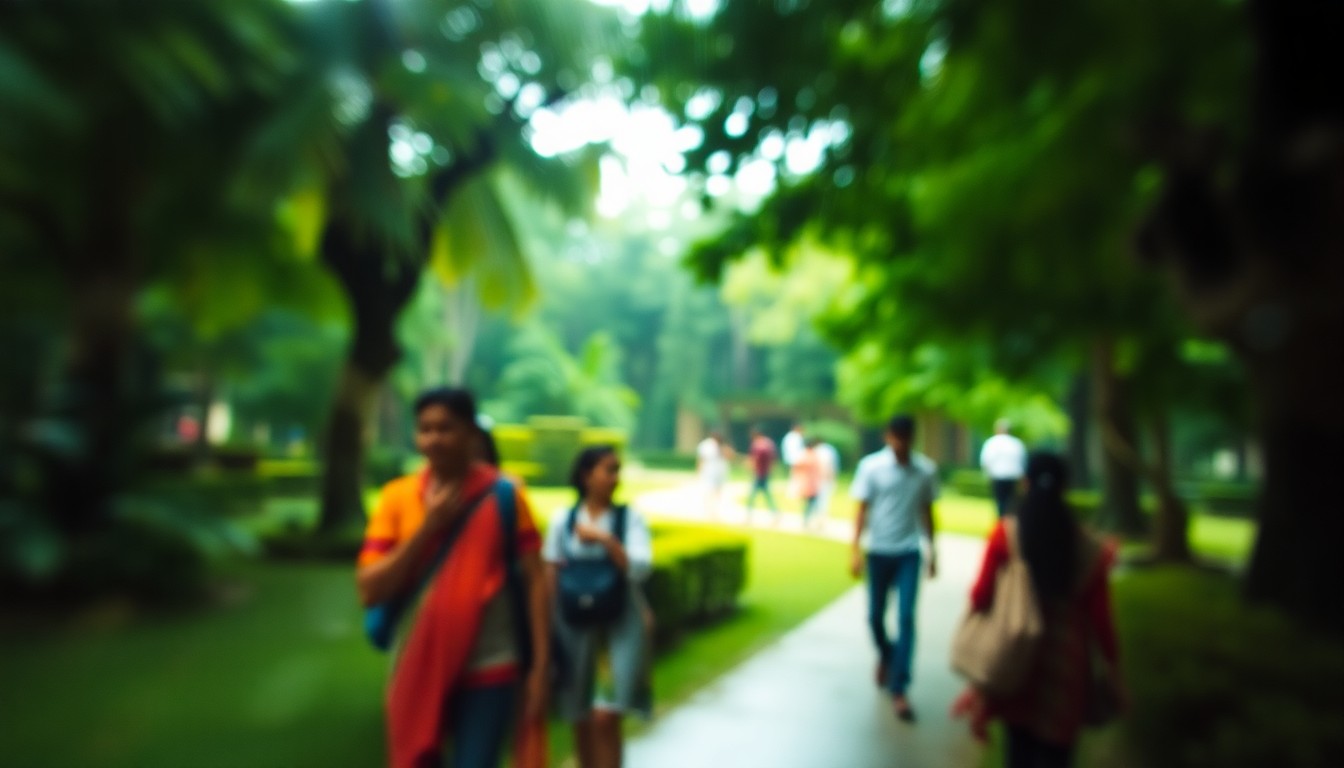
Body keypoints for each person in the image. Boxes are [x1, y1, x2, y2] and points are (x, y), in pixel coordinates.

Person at [356, 388, 550, 768]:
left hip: (489, 664)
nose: (434, 439)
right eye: (425, 429)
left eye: (445, 428)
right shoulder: (397, 498)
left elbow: (537, 581)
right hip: (417, 662)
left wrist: (540, 667)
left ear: (471, 434)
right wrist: (428, 528)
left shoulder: (504, 497)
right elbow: (369, 589)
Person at [951, 452, 1122, 768]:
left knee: (1019, 752)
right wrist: (1114, 671)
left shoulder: (1007, 534)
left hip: (1018, 660)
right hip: (1067, 666)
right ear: (1065, 487)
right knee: (1057, 756)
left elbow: (981, 595)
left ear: (1024, 482)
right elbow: (1101, 619)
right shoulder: (1089, 547)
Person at [545, 445, 654, 768]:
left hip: (617, 625)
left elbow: (639, 568)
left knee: (607, 714)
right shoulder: (563, 520)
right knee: (579, 713)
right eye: (608, 470)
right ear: (586, 475)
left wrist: (605, 540)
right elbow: (550, 572)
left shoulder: (628, 518)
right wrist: (546, 628)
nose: (615, 478)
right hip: (574, 625)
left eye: (617, 470)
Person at [849, 414, 939, 722]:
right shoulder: (872, 467)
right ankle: (888, 656)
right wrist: (854, 550)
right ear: (888, 437)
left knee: (906, 617)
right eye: (896, 437)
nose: (901, 444)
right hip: (879, 551)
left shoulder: (924, 471)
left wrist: (933, 551)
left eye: (906, 438)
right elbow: (861, 509)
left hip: (909, 552)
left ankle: (900, 687)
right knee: (875, 616)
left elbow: (928, 512)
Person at [980, 418, 1027, 518]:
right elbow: (1022, 461)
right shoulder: (1016, 443)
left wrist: (987, 474)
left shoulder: (992, 442)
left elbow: (986, 461)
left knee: (1000, 502)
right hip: (1013, 477)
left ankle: (1002, 521)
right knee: (1011, 503)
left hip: (998, 477)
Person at [745, 425, 780, 523]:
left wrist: (750, 468)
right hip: (766, 473)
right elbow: (774, 458)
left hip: (758, 473)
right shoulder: (769, 443)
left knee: (753, 495)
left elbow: (754, 460)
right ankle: (775, 514)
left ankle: (748, 515)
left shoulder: (757, 444)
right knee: (767, 495)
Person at [696, 430, 730, 518]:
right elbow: (701, 459)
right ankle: (708, 510)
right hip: (710, 471)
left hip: (720, 471)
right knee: (709, 490)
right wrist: (699, 471)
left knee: (718, 491)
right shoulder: (706, 445)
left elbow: (729, 456)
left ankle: (715, 509)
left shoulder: (723, 446)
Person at [796, 438, 824, 530]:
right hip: (811, 484)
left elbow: (797, 468)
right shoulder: (813, 456)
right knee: (812, 504)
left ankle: (808, 520)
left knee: (810, 504)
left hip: (808, 484)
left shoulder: (804, 456)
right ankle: (813, 521)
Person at [815, 438, 841, 528]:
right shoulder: (829, 451)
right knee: (824, 500)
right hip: (825, 479)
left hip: (820, 479)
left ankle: (820, 520)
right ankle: (820, 520)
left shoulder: (820, 451)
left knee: (821, 501)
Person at [781, 422, 806, 501]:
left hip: (790, 459)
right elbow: (797, 450)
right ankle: (793, 493)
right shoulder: (796, 437)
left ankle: (793, 492)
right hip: (795, 459)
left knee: (793, 476)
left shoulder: (788, 436)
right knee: (796, 476)